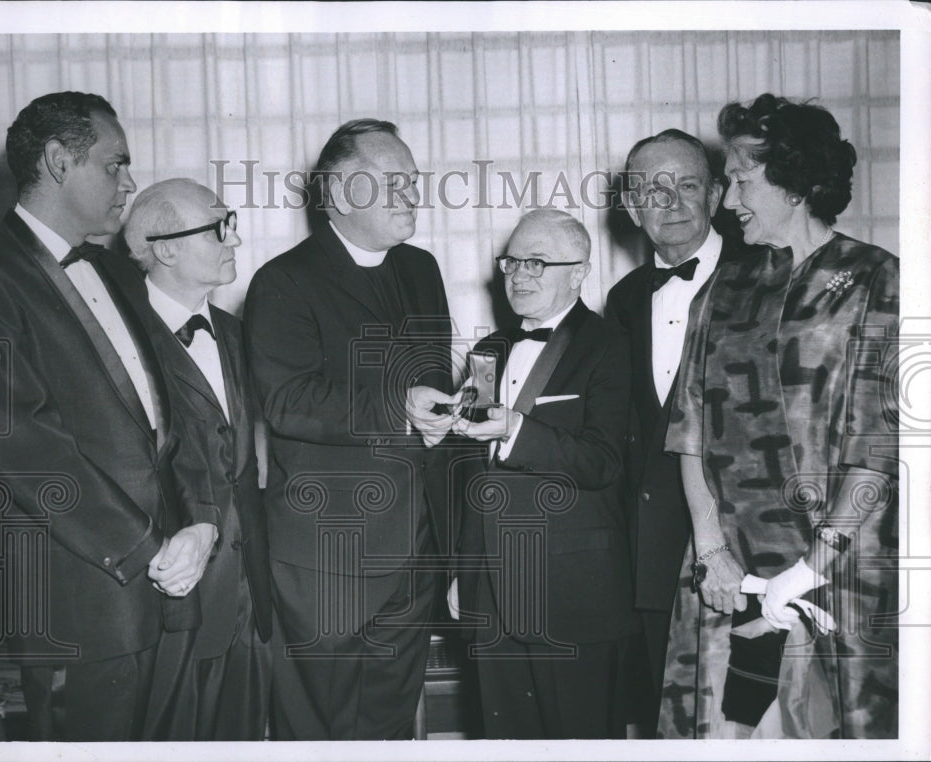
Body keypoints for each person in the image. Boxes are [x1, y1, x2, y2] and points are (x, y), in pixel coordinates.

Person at [0, 92, 218, 741]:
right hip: (82, 608)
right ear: (57, 162)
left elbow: (176, 410)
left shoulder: (115, 269)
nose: (130, 183)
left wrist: (200, 524)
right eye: (115, 165)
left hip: (173, 590)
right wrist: (148, 548)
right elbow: (23, 441)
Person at [659, 93, 898, 739]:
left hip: (841, 568)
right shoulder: (725, 285)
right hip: (729, 568)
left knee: (837, 728)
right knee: (726, 727)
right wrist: (712, 549)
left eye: (741, 179)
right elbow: (688, 429)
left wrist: (811, 569)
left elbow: (879, 447)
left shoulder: (877, 279)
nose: (728, 198)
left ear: (794, 182)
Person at [242, 118, 456, 740]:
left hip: (415, 545)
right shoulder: (283, 281)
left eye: (412, 182)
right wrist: (400, 406)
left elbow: (431, 388)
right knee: (319, 728)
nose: (411, 195)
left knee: (389, 722)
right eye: (393, 182)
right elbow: (286, 400)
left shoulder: (422, 268)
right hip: (328, 556)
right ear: (337, 195)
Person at [449, 209, 634, 739]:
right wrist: (464, 571)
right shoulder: (488, 351)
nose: (519, 275)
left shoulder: (610, 345)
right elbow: (472, 475)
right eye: (511, 263)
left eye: (537, 263)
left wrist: (515, 429)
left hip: (572, 595)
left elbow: (603, 461)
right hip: (492, 595)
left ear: (578, 272)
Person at [603, 128, 751, 734]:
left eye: (687, 185)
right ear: (633, 208)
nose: (670, 202)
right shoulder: (624, 298)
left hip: (745, 545)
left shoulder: (768, 275)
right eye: (651, 190)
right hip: (652, 558)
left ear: (716, 195)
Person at [122, 178, 272, 740]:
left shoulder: (237, 333)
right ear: (164, 248)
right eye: (218, 226)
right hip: (166, 604)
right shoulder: (117, 338)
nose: (233, 236)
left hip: (249, 603)